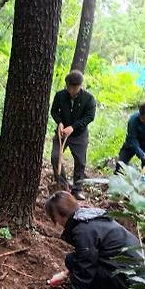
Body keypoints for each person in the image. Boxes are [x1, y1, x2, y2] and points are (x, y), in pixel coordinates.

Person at [36, 191, 143, 289]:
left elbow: (84, 271)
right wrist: (65, 275)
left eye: (53, 217)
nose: (56, 222)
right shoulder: (91, 217)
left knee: (73, 262)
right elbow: (91, 256)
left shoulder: (82, 230)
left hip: (124, 276)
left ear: (59, 214)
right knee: (73, 260)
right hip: (139, 273)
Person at [50, 70, 96, 199]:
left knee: (80, 162)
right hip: (62, 133)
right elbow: (54, 111)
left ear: (80, 85)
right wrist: (59, 123)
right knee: (55, 156)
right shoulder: (60, 95)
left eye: (74, 87)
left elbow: (89, 117)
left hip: (79, 135)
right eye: (68, 87)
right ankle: (63, 186)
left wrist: (73, 127)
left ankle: (77, 190)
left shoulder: (89, 99)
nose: (71, 90)